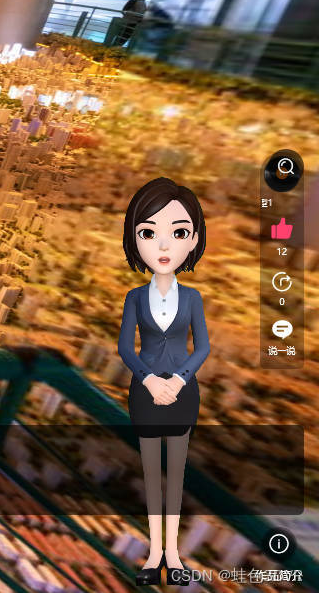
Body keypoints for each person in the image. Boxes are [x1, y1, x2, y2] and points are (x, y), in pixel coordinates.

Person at [116, 177, 209, 587]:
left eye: (179, 232)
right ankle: (155, 554)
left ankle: (173, 553)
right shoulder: (135, 297)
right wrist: (151, 380)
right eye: (149, 233)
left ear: (194, 240)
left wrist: (181, 381)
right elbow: (126, 347)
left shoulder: (193, 298)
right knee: (153, 473)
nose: (164, 245)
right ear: (135, 240)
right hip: (146, 392)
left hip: (184, 394)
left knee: (177, 473)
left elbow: (203, 347)